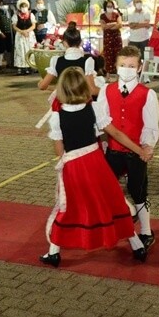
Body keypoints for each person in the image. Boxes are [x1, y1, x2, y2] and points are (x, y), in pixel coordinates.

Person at [38, 67, 150, 268]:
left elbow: (59, 150)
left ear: (61, 89)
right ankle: (137, 245)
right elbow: (115, 133)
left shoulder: (57, 117)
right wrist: (139, 150)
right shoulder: (94, 108)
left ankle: (54, 252)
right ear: (83, 87)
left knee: (69, 206)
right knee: (112, 201)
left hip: (74, 166)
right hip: (96, 162)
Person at [96, 46, 158, 253]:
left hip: (136, 152)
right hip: (113, 149)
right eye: (123, 65)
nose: (127, 69)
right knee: (105, 186)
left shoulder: (147, 94)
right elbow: (102, 120)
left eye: (131, 66)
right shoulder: (106, 90)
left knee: (138, 191)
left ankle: (147, 231)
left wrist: (148, 146)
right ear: (116, 66)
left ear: (140, 67)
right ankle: (124, 214)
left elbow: (150, 125)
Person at [37, 22, 97, 94]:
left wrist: (42, 84)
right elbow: (92, 90)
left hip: (63, 102)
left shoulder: (56, 61)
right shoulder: (87, 61)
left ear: (64, 43)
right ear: (81, 42)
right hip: (81, 100)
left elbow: (42, 86)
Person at [11, 0, 35, 76]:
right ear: (19, 8)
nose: (24, 8)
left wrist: (27, 31)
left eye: (25, 6)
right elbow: (14, 26)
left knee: (29, 49)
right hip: (20, 35)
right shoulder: (16, 15)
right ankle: (21, 67)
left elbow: (34, 25)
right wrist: (22, 31)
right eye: (22, 7)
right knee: (20, 50)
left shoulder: (31, 15)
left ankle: (29, 66)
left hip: (29, 34)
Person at [99, 0, 123, 76]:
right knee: (108, 55)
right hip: (107, 39)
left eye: (111, 6)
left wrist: (109, 26)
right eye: (108, 6)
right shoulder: (102, 16)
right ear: (105, 7)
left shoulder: (116, 14)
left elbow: (119, 25)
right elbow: (103, 27)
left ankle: (118, 73)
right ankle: (108, 74)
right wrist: (113, 24)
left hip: (116, 38)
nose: (110, 8)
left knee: (118, 54)